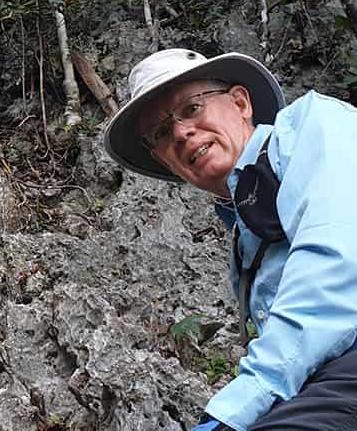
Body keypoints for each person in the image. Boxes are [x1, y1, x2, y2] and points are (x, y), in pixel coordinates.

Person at [103, 48, 357, 430]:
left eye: (191, 109)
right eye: (161, 133)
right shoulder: (243, 243)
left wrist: (236, 407)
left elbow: (335, 259)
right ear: (164, 160)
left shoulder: (315, 125)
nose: (181, 132)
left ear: (240, 103)